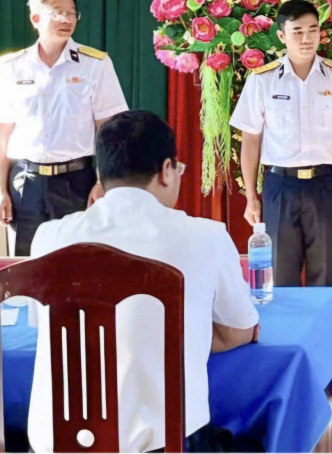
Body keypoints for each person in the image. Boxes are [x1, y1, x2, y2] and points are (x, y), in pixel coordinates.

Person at [27, 111, 259, 454]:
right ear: (166, 170)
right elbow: (238, 331)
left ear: (100, 175)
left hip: (57, 445)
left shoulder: (49, 237)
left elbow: (44, 326)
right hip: (166, 445)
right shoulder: (206, 237)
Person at [231, 0, 332, 287]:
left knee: (326, 272)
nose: (306, 39)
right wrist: (251, 197)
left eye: (312, 30)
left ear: (321, 33)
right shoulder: (263, 80)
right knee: (280, 274)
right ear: (282, 36)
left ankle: (323, 319)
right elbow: (251, 139)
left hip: (325, 184)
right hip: (280, 185)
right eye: (297, 32)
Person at [0, 0, 129, 255]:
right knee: (25, 266)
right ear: (36, 18)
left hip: (77, 182)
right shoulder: (11, 67)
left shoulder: (96, 64)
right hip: (25, 182)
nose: (67, 19)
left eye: (72, 13)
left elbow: (107, 131)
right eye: (58, 12)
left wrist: (102, 183)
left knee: (76, 264)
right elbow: (2, 135)